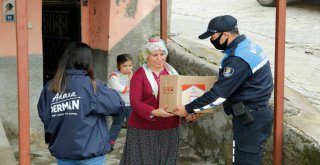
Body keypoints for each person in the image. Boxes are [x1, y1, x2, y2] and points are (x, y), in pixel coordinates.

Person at [173, 15, 274, 165]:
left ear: (225, 34)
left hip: (252, 118)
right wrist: (199, 109)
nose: (211, 41)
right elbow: (230, 87)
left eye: (213, 37)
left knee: (245, 161)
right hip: (251, 114)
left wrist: (188, 108)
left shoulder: (238, 59)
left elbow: (219, 95)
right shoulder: (246, 47)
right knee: (241, 157)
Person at [37, 42, 124, 165]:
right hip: (90, 153)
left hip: (63, 152)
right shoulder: (92, 86)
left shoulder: (50, 86)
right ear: (87, 61)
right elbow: (118, 105)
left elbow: (44, 114)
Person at [120, 38, 180, 165]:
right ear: (147, 56)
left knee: (166, 161)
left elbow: (180, 98)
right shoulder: (139, 75)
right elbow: (135, 102)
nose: (159, 58)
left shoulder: (173, 74)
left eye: (162, 54)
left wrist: (188, 113)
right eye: (155, 55)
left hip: (169, 127)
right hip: (144, 129)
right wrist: (153, 111)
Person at [108, 53, 133, 152]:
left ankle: (132, 144)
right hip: (119, 105)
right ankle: (110, 143)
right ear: (118, 65)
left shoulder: (132, 74)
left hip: (131, 105)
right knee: (117, 125)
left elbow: (138, 87)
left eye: (130, 65)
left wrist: (132, 79)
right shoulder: (114, 76)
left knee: (132, 125)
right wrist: (131, 87)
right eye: (125, 66)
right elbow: (118, 88)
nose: (128, 68)